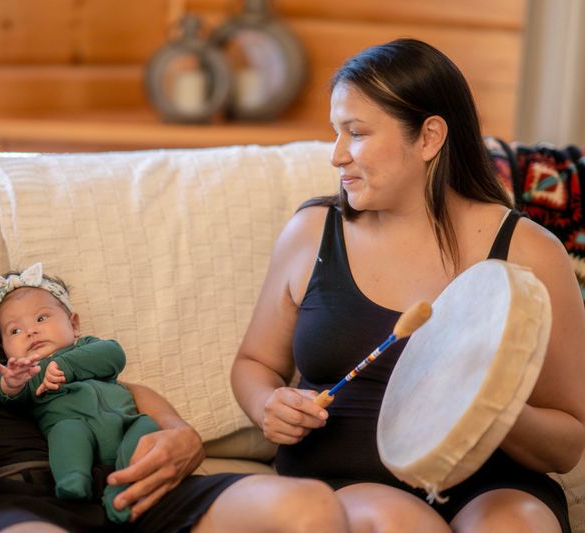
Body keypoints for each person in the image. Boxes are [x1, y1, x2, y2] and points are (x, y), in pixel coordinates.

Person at [0, 127, 350, 533]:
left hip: (120, 481)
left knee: (311, 511)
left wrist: (181, 432)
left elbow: (88, 375)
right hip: (10, 501)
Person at [232, 38, 585, 533]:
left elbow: (568, 445)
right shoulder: (312, 233)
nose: (336, 156)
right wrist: (267, 404)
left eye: (355, 133)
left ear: (429, 138)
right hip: (342, 482)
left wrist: (491, 406)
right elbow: (254, 364)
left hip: (491, 485)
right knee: (400, 523)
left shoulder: (533, 253)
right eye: (336, 133)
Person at [0, 263, 159, 523]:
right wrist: (13, 381)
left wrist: (64, 366)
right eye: (14, 331)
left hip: (126, 423)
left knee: (149, 425)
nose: (30, 332)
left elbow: (114, 355)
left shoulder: (86, 347)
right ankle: (73, 482)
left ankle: (122, 487)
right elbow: (6, 394)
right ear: (4, 348)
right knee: (66, 434)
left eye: (41, 318)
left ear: (73, 325)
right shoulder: (26, 370)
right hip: (73, 426)